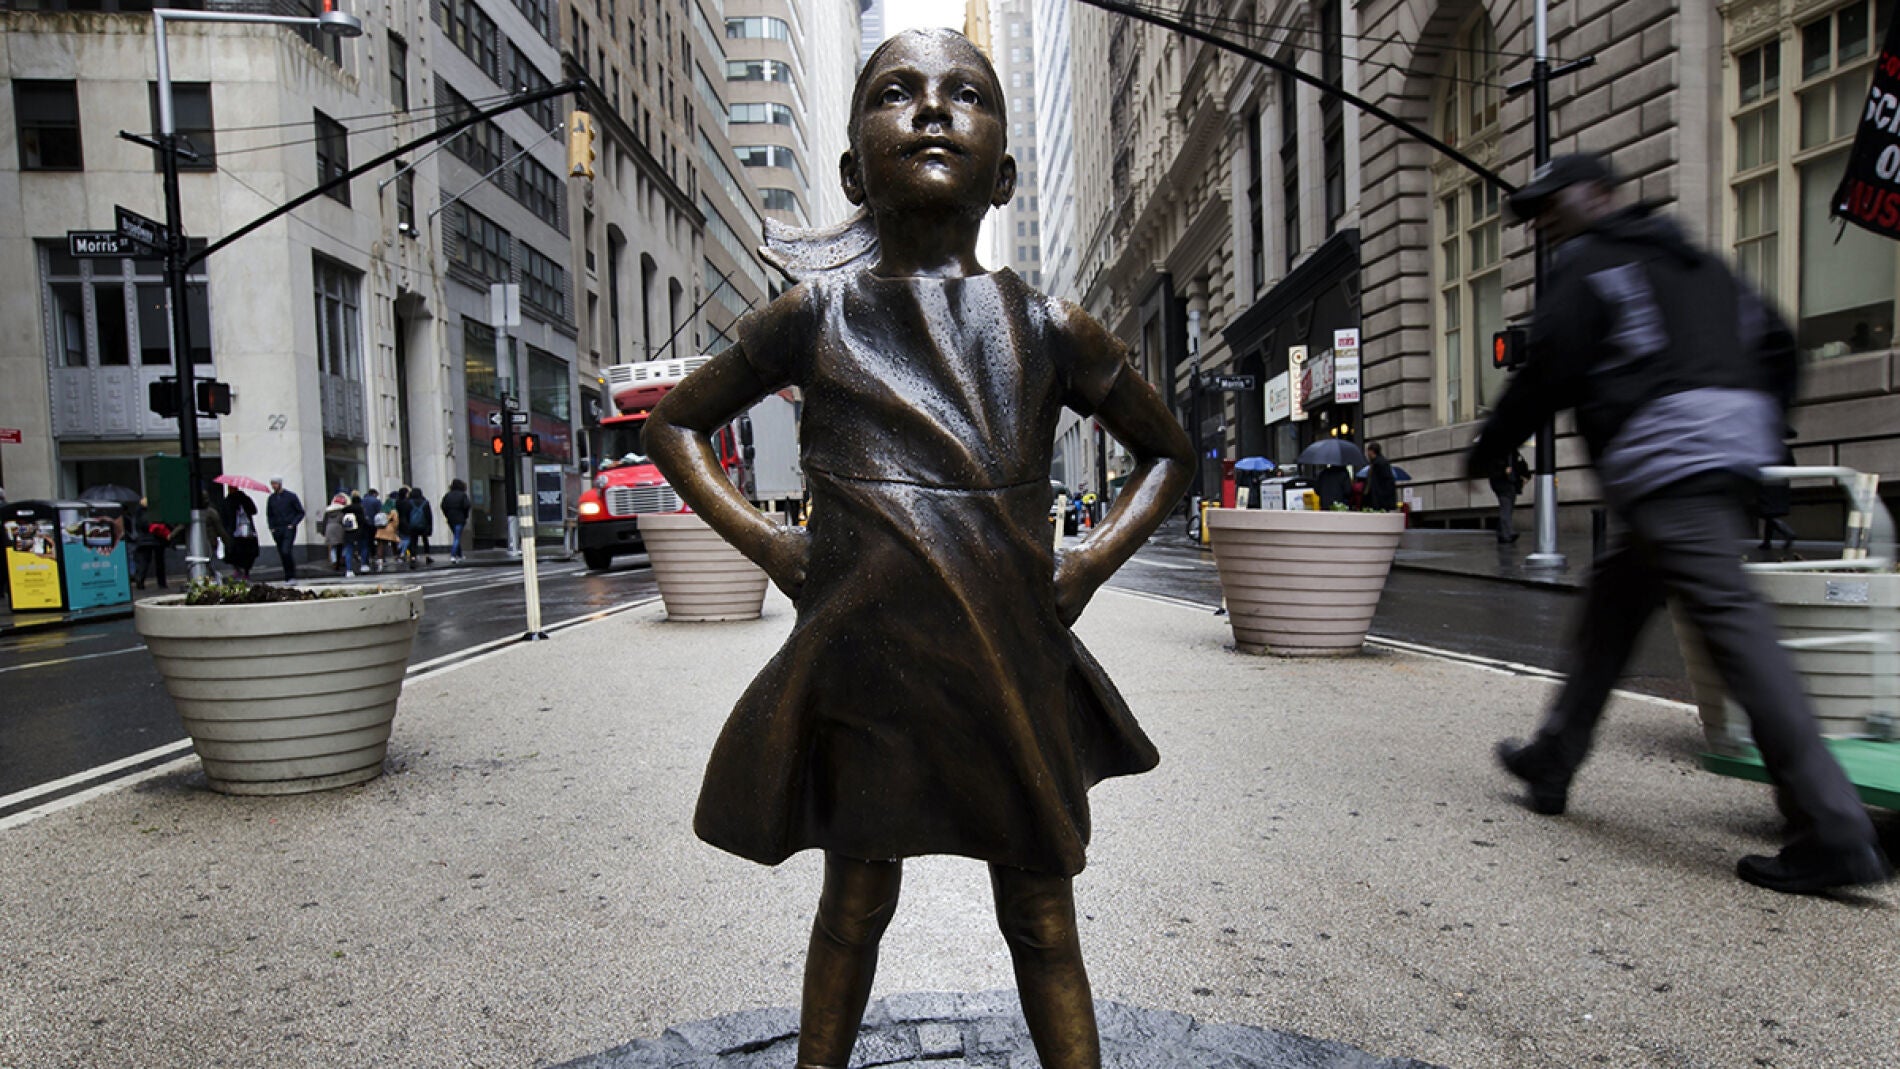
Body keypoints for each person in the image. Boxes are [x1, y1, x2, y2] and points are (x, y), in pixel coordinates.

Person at [643, 29, 1196, 1069]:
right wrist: (768, 541)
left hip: (1006, 661)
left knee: (1039, 908)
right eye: (897, 93)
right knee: (854, 898)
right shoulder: (813, 316)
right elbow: (671, 426)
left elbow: (1169, 456)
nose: (932, 111)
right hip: (866, 664)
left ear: (1008, 174)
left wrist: (1084, 566)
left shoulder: (1048, 323)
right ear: (854, 166)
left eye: (965, 96)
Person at [1468, 152, 1890, 895]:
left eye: (1550, 203)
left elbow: (1549, 366)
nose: (1542, 220)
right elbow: (1778, 347)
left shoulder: (1590, 263)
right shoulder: (1696, 265)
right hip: (1720, 457)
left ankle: (1832, 828)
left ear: (1600, 194)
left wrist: (1492, 445)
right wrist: (1756, 430)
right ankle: (1554, 755)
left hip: (1668, 461)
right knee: (1616, 600)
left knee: (1734, 627)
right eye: (1534, 211)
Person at [265, 476, 304, 581]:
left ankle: (291, 574)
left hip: (288, 527)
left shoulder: (290, 496)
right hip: (277, 529)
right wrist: (271, 527)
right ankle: (287, 574)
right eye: (272, 484)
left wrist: (293, 524)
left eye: (275, 484)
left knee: (286, 550)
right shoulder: (271, 498)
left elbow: (300, 512)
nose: (273, 486)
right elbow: (269, 514)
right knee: (282, 552)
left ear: (280, 484)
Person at [218, 485, 261, 580]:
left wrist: (245, 501)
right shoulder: (227, 501)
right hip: (233, 532)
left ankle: (246, 572)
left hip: (247, 532)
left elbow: (254, 510)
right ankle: (237, 570)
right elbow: (224, 516)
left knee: (248, 553)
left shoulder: (244, 499)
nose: (231, 490)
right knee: (233, 552)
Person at [1490, 449, 1530, 544]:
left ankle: (1501, 532)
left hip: (1512, 484)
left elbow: (1521, 464)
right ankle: (1507, 534)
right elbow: (1492, 469)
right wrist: (1504, 471)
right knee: (1506, 508)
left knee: (1508, 508)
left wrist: (1526, 475)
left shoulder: (1514, 453)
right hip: (1501, 484)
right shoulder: (1496, 454)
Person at [131, 497, 170, 590]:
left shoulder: (138, 514)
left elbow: (139, 526)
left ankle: (140, 580)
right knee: (159, 562)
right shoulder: (155, 514)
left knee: (144, 562)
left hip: (144, 541)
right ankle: (161, 583)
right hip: (156, 540)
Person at [441, 479, 472, 563]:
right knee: (457, 537)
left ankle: (460, 554)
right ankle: (453, 555)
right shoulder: (463, 495)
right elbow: (467, 506)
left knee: (456, 536)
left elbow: (443, 505)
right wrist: (465, 515)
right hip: (460, 518)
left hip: (451, 518)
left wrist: (447, 514)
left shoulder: (447, 495)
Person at [1363, 443, 1398, 511]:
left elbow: (1387, 482)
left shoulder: (1380, 463)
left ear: (1371, 451)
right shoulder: (1376, 463)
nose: (1367, 454)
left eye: (1368, 451)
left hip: (1379, 500)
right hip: (1377, 499)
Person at [406, 487, 435, 564]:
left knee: (413, 541)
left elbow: (407, 514)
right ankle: (427, 556)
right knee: (425, 540)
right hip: (423, 525)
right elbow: (429, 516)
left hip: (413, 525)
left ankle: (413, 556)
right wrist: (430, 526)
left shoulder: (409, 502)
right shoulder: (425, 502)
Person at [322, 493, 349, 572]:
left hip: (329, 528)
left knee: (333, 547)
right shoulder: (342, 511)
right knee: (342, 545)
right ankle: (342, 559)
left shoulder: (328, 512)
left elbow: (324, 522)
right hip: (339, 528)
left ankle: (334, 562)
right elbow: (344, 521)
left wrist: (324, 531)